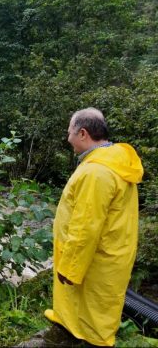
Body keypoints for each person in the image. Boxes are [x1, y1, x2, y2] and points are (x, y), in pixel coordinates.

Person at [44, 108, 144, 346]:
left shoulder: (97, 172)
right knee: (89, 301)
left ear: (83, 133)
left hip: (99, 254)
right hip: (111, 248)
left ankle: (94, 341)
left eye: (69, 131)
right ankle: (67, 322)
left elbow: (86, 226)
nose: (67, 137)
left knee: (95, 310)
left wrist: (70, 267)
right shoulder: (112, 159)